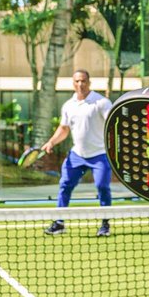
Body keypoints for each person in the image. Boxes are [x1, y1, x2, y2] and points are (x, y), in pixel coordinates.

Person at [29, 69, 112, 236]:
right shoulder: (69, 105)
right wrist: (51, 142)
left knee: (102, 186)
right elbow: (64, 128)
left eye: (83, 81)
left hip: (100, 155)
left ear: (89, 82)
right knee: (64, 185)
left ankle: (105, 224)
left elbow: (112, 124)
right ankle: (59, 222)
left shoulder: (102, 102)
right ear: (73, 83)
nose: (80, 84)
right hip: (77, 155)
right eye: (77, 81)